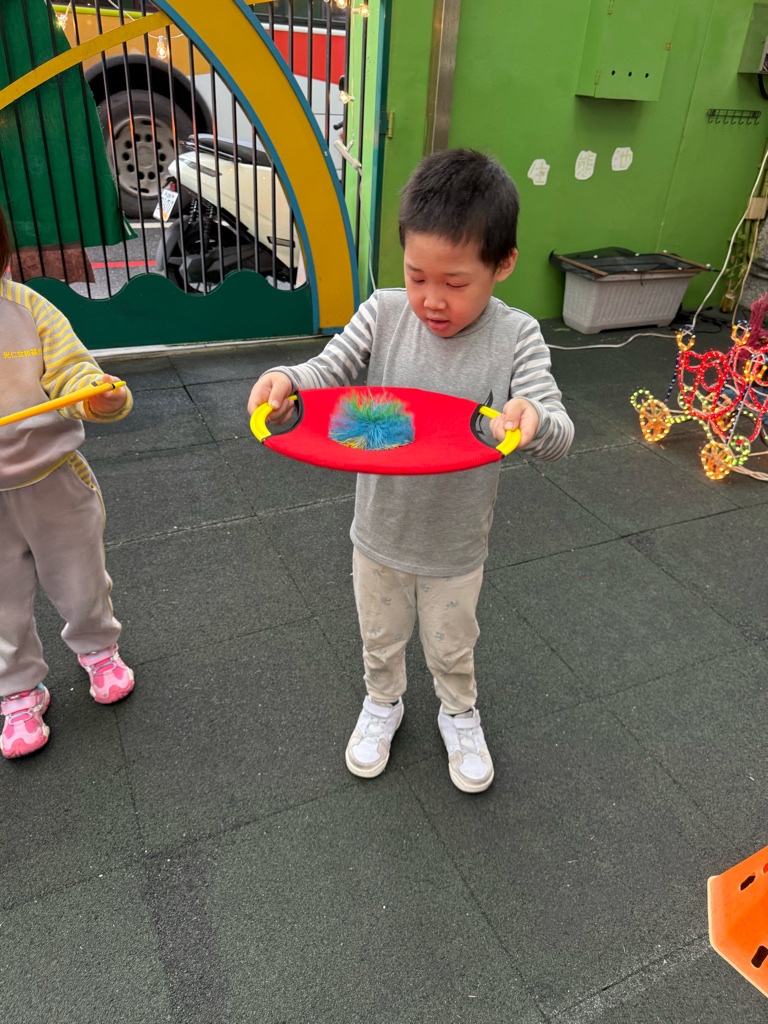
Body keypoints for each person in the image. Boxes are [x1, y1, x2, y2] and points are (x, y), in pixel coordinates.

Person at [247, 149, 574, 793]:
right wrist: (288, 381)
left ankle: (459, 712)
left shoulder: (517, 337)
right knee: (380, 635)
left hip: (455, 546)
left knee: (452, 644)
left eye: (455, 283)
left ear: (503, 264)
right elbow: (327, 372)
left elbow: (558, 431)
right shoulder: (384, 312)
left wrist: (531, 418)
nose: (431, 299)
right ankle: (383, 702)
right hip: (379, 535)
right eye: (416, 275)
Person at [0, 205, 135, 759]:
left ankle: (97, 647)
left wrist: (96, 395)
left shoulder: (27, 308)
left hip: (52, 476)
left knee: (80, 577)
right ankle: (17, 689)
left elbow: (75, 371)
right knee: (2, 601)